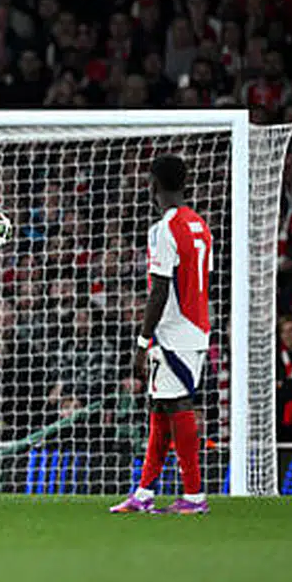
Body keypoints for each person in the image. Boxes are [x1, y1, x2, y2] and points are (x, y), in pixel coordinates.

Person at [112, 154, 212, 515]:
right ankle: (144, 492)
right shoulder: (200, 225)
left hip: (174, 333)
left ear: (153, 184)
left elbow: (160, 289)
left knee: (177, 405)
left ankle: (195, 495)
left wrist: (142, 342)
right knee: (160, 406)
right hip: (195, 327)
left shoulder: (163, 229)